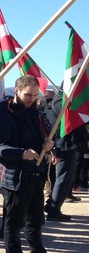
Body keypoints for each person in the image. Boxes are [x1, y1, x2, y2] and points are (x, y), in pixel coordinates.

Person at [0, 75, 68, 253]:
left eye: (35, 95)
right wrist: (21, 153)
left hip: (35, 173)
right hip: (14, 176)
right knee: (14, 222)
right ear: (16, 90)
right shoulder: (3, 114)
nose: (31, 98)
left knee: (35, 220)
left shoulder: (34, 111)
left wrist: (47, 144)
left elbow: (39, 137)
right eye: (28, 94)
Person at [45, 92, 88, 221]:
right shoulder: (61, 102)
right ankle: (53, 210)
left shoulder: (59, 101)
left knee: (64, 179)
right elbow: (64, 120)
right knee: (63, 180)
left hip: (68, 145)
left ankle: (51, 206)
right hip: (65, 145)